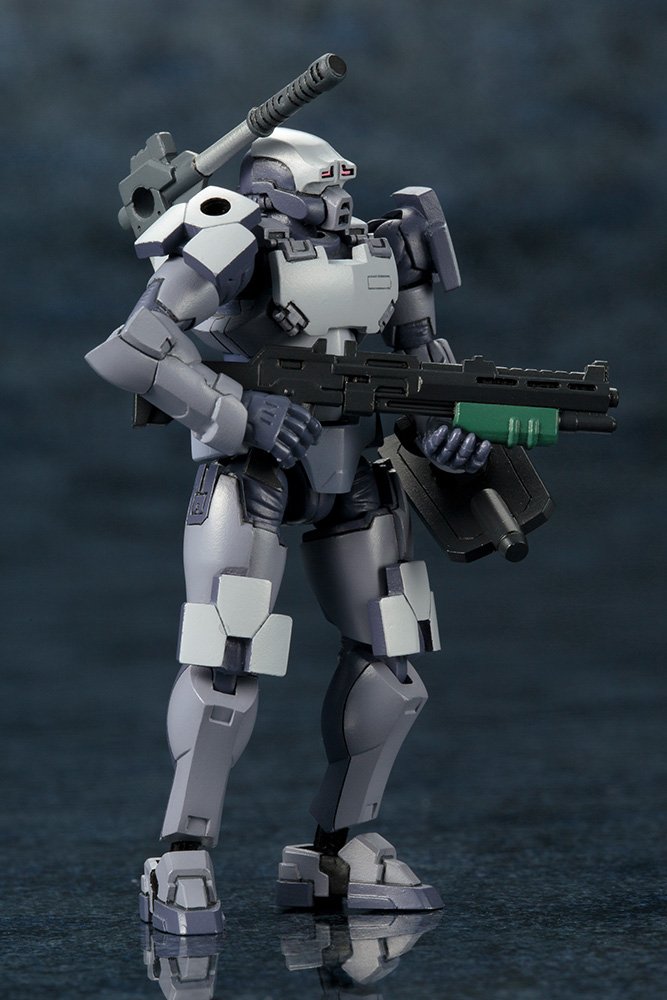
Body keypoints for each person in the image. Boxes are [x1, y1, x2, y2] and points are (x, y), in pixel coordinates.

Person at [86, 127, 489, 935]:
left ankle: (340, 849)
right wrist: (239, 412)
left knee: (390, 657)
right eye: (317, 194)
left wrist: (440, 427)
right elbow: (133, 347)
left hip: (355, 469)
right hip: (256, 468)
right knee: (226, 659)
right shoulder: (235, 237)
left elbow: (422, 365)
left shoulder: (390, 244)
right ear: (271, 191)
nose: (334, 208)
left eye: (340, 192)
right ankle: (181, 856)